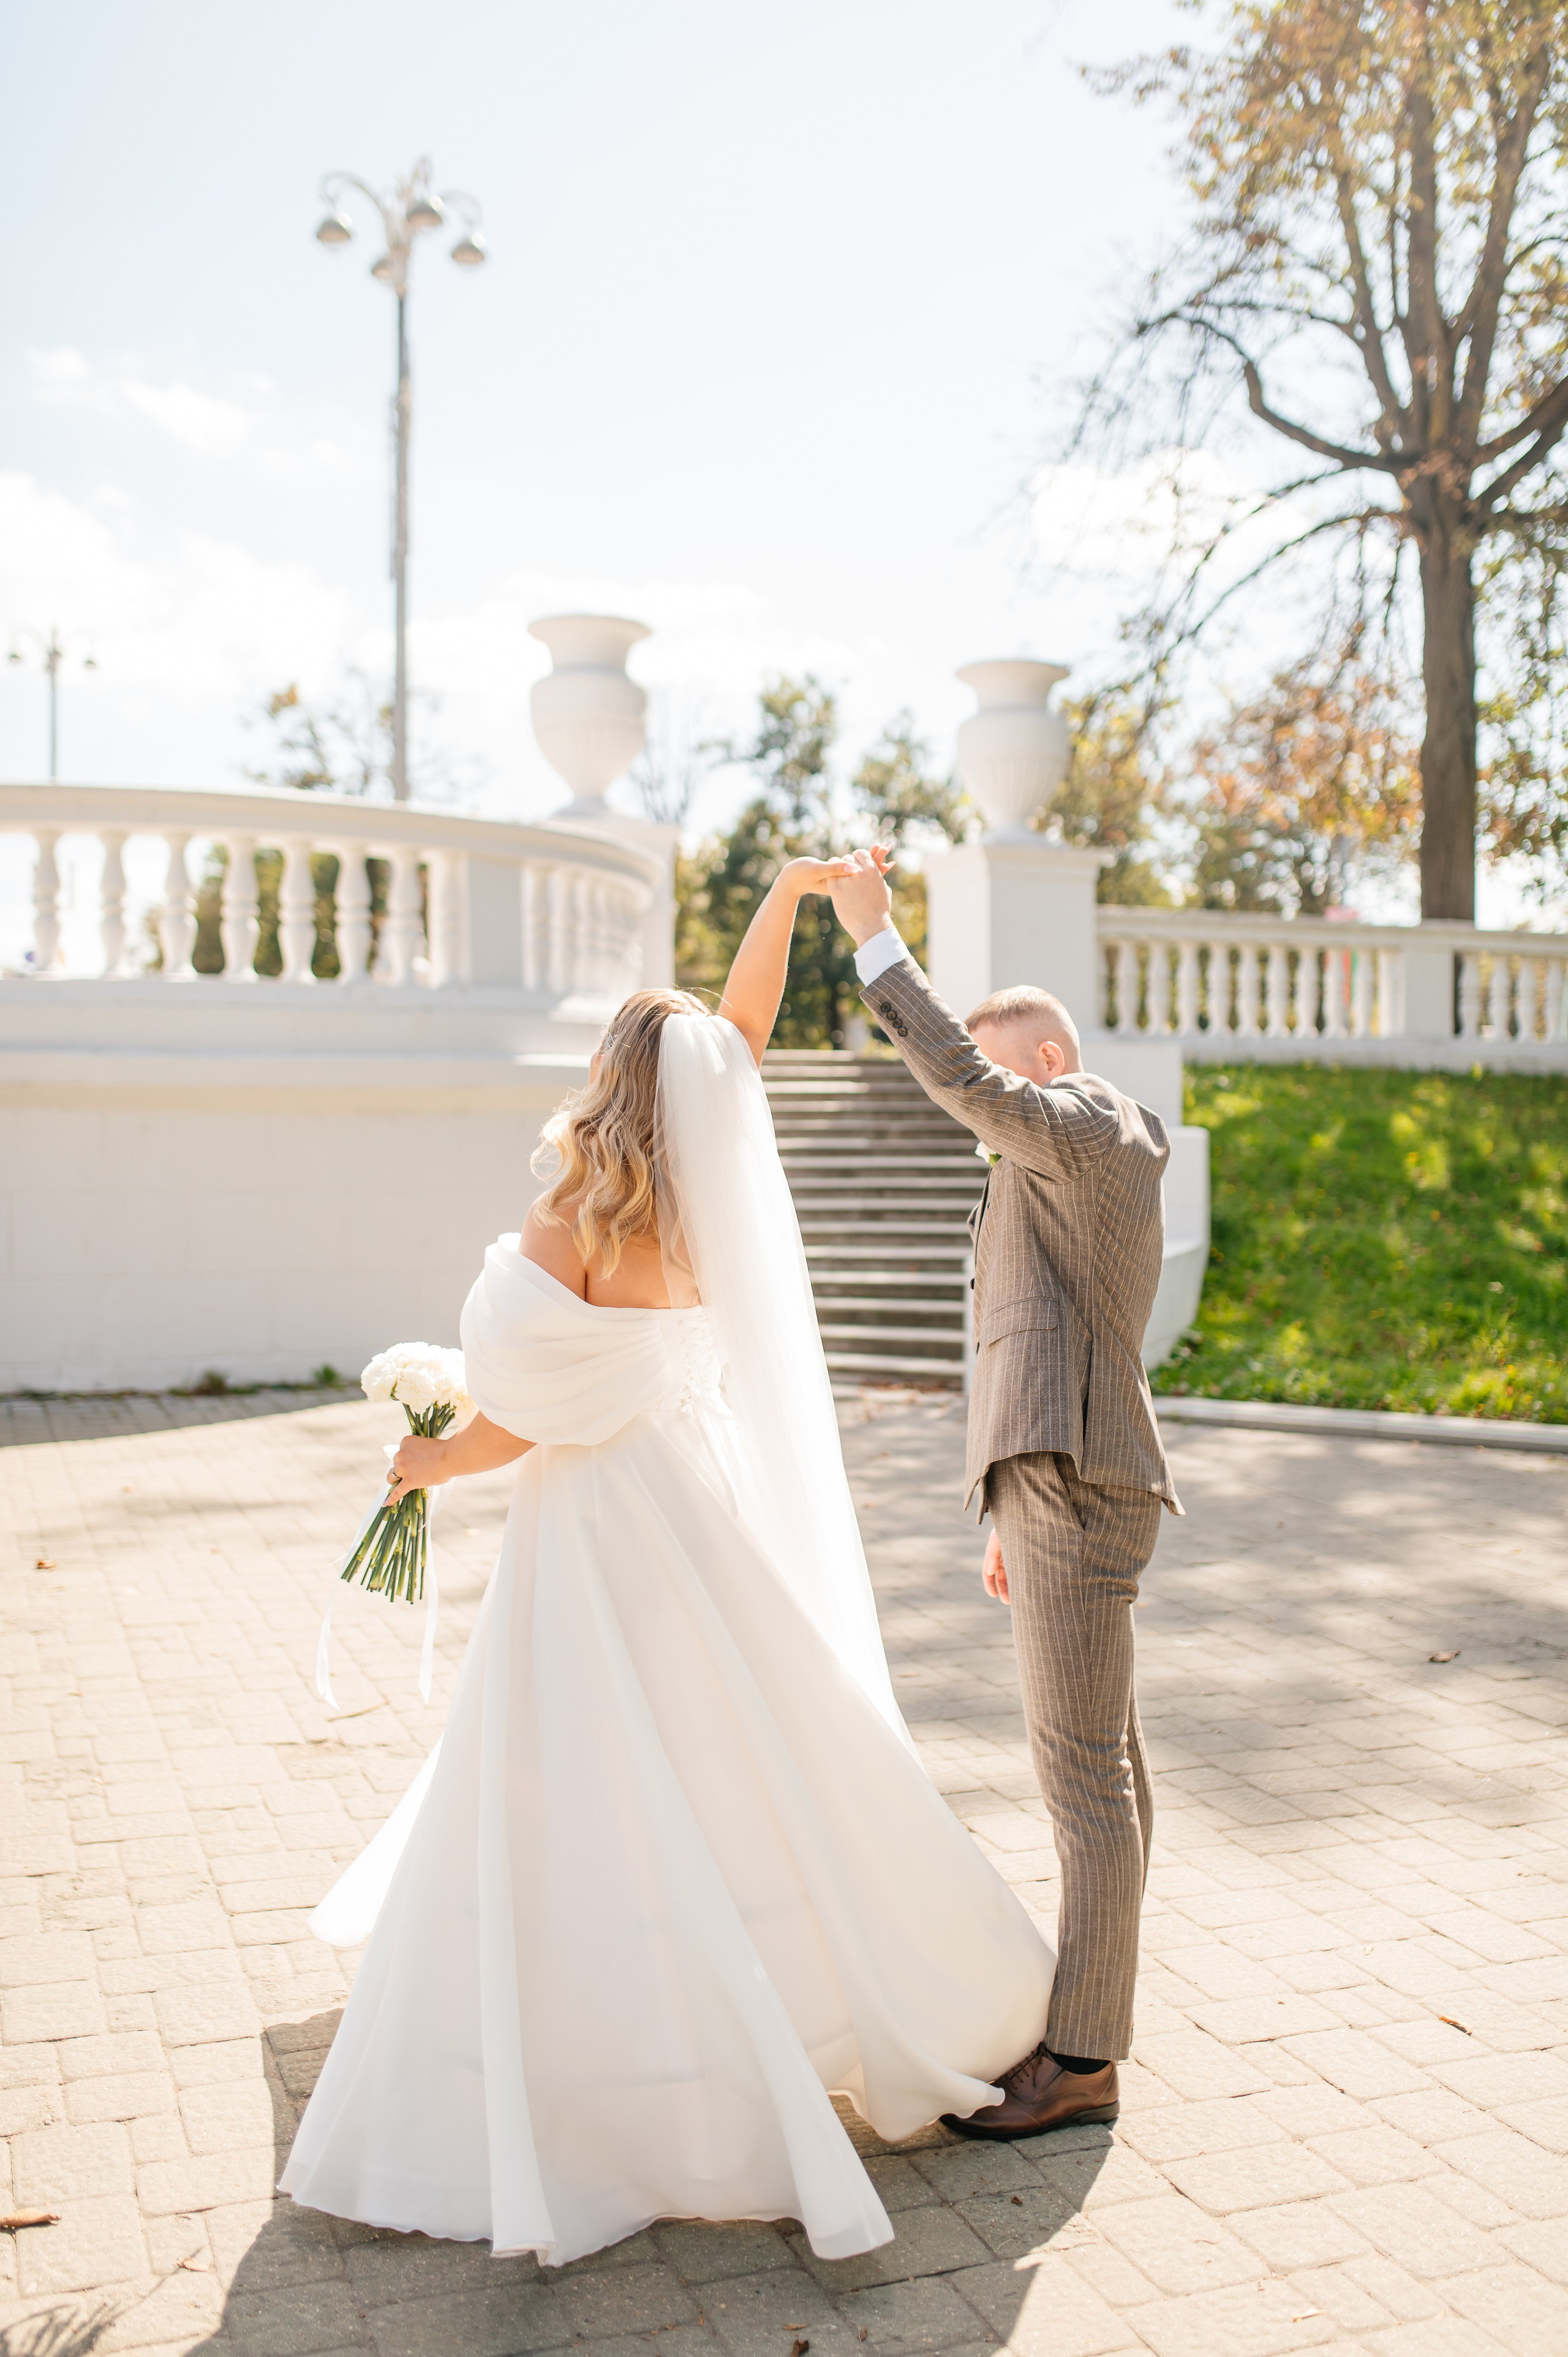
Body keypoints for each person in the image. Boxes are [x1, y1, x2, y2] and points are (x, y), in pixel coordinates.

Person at [281, 851, 1054, 2266]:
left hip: (593, 1529)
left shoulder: (570, 1220)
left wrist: (428, 1461)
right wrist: (791, 893)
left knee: (576, 1770)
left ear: (606, 1075)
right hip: (705, 1500)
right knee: (749, 1746)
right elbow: (737, 1031)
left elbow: (525, 1415)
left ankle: (598, 2055)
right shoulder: (714, 1197)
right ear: (694, 1087)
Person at [827, 849, 1180, 2142]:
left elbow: (964, 1081)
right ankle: (1091, 2022)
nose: (980, 1119)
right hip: (1056, 1476)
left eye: (997, 1082)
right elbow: (1033, 1334)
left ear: (1045, 1060)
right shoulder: (1052, 1165)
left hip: (1075, 1477)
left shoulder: (1086, 1124)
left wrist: (877, 940)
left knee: (1083, 1776)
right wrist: (1001, 1508)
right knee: (1108, 1767)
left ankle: (1081, 2057)